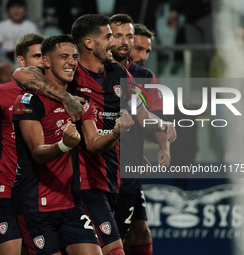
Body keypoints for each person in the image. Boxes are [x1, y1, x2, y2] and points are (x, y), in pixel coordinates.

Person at [13, 14, 176, 255]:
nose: (114, 42)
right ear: (89, 43)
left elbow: (140, 114)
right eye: (109, 36)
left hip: (113, 178)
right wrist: (66, 97)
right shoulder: (70, 71)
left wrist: (161, 124)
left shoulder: (118, 73)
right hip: (84, 184)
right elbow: (21, 74)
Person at [12, 34, 133, 255]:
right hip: (36, 206)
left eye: (74, 57)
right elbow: (37, 153)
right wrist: (64, 145)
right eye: (64, 56)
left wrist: (116, 133)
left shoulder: (79, 101)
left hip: (71, 206)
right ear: (46, 61)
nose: (71, 62)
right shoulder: (28, 100)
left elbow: (94, 142)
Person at [0, 33, 85, 255]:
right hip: (8, 186)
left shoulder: (63, 91)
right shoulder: (2, 93)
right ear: (22, 61)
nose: (41, 61)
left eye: (44, 55)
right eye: (36, 56)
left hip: (45, 188)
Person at [110, 14, 172, 255]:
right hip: (111, 165)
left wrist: (164, 148)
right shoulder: (104, 73)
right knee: (117, 238)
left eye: (147, 51)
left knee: (140, 231)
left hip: (130, 164)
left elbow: (152, 117)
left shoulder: (145, 77)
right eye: (139, 49)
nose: (143, 56)